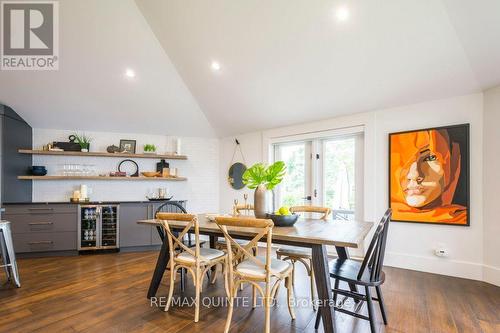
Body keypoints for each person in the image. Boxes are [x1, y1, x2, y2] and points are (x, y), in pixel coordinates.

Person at [390, 129, 467, 224]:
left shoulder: (464, 220)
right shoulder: (381, 219)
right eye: (401, 160)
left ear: (452, 162)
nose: (414, 175)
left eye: (430, 157)